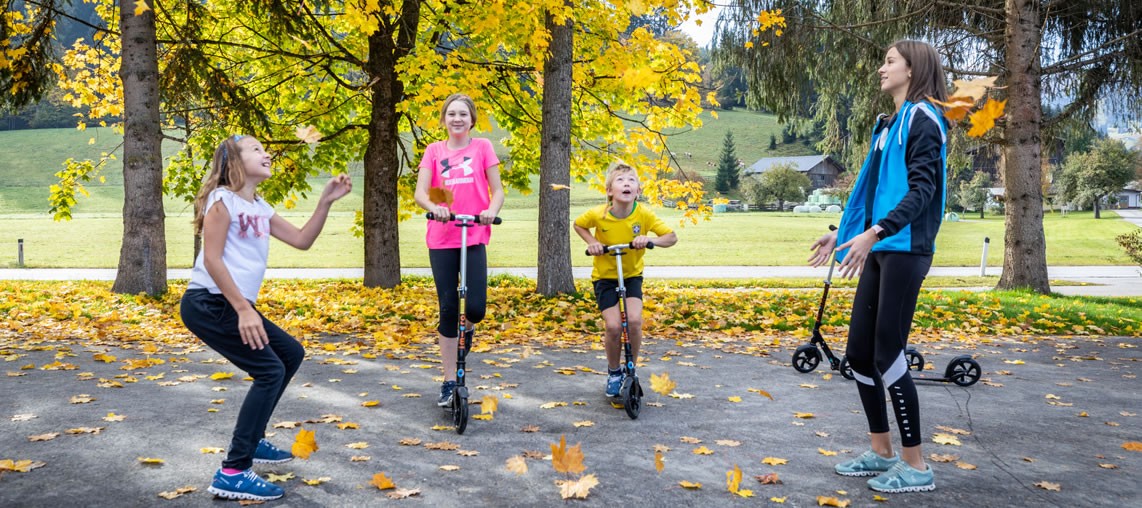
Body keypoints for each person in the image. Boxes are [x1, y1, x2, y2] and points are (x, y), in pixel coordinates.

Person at [808, 40, 949, 493]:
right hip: (880, 245)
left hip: (906, 249)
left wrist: (876, 232)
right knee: (859, 356)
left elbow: (923, 191)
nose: (881, 69)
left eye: (890, 62)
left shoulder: (924, 119)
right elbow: (873, 192)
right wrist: (846, 234)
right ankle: (881, 451)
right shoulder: (890, 124)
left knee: (889, 353)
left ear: (913, 68)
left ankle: (916, 465)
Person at [180, 135, 352, 501]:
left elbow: (302, 240)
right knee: (270, 370)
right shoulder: (222, 200)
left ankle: (253, 439)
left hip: (231, 303)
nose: (266, 153)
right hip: (209, 302)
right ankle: (232, 471)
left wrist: (324, 202)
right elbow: (212, 259)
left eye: (264, 148)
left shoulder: (259, 206)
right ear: (233, 161)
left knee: (290, 354)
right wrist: (244, 310)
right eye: (256, 149)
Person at [413, 93, 504, 407]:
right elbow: (421, 193)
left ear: (472, 119)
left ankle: (468, 329)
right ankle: (449, 381)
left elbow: (498, 190)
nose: (457, 119)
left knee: (475, 308)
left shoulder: (483, 147)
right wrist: (434, 207)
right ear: (444, 119)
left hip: (473, 234)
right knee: (449, 308)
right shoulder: (434, 151)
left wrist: (490, 211)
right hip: (442, 237)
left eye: (463, 114)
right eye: (451, 113)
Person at [574, 163, 677, 397]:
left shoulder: (644, 214)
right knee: (612, 326)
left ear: (638, 191)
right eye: (620, 180)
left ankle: (631, 369)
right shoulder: (598, 214)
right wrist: (593, 242)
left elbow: (671, 237)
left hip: (631, 277)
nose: (626, 184)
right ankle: (614, 372)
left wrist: (649, 240)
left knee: (634, 321)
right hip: (605, 278)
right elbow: (578, 224)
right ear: (610, 190)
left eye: (631, 180)